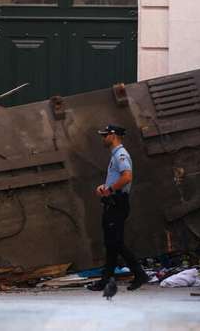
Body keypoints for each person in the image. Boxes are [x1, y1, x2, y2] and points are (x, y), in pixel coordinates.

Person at [87, 124, 148, 292]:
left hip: (117, 202)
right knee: (111, 243)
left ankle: (139, 273)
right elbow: (118, 178)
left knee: (116, 242)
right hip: (113, 202)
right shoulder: (115, 155)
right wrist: (104, 187)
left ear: (113, 136)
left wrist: (110, 189)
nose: (103, 138)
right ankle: (106, 280)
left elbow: (127, 177)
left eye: (105, 135)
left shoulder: (120, 155)